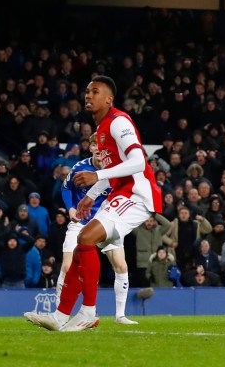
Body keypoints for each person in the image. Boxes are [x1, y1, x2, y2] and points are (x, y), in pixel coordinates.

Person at [25, 75, 161, 331]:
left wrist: (96, 176)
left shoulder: (118, 122)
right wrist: (90, 196)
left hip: (138, 193)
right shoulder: (101, 131)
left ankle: (88, 311)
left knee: (85, 238)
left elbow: (138, 162)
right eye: (87, 92)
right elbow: (115, 170)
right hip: (120, 192)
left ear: (109, 99)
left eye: (95, 92)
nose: (88, 96)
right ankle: (60, 315)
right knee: (80, 249)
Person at [53, 132, 137, 325]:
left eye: (103, 146)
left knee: (121, 265)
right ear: (90, 148)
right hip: (82, 222)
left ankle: (120, 316)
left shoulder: (116, 169)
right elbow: (66, 188)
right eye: (95, 146)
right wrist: (71, 208)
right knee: (67, 265)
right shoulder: (80, 168)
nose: (99, 150)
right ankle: (59, 314)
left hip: (106, 222)